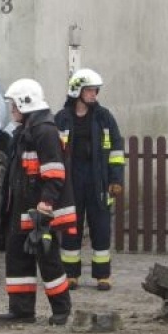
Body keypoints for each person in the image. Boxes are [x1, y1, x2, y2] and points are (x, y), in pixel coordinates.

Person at [0, 78, 75, 326]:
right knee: (17, 258)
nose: (11, 110)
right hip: (23, 209)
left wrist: (46, 204)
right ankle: (21, 310)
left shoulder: (45, 131)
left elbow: (54, 172)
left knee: (48, 261)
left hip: (40, 211)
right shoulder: (26, 131)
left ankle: (62, 309)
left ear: (25, 103)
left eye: (13, 105)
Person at [54, 69, 125, 291]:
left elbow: (116, 150)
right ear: (78, 91)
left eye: (96, 90)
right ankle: (70, 275)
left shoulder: (104, 117)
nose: (95, 94)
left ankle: (103, 276)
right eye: (91, 90)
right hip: (72, 182)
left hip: (99, 182)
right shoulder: (62, 118)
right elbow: (54, 152)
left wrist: (116, 179)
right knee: (71, 229)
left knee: (101, 228)